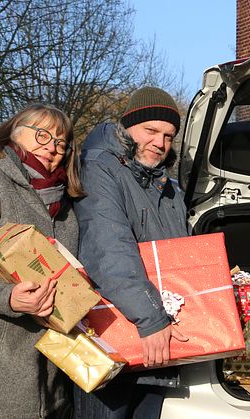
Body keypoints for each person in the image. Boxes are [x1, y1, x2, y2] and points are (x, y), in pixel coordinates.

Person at [0, 104, 82, 418]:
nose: (52, 147)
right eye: (42, 135)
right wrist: (7, 297)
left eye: (62, 143)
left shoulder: (63, 204)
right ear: (12, 133)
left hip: (48, 385)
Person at [72, 86, 189, 418]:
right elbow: (108, 249)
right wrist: (151, 319)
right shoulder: (99, 166)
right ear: (127, 127)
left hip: (157, 340)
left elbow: (181, 259)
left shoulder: (168, 187)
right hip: (112, 336)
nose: (160, 143)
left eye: (168, 135)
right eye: (150, 130)